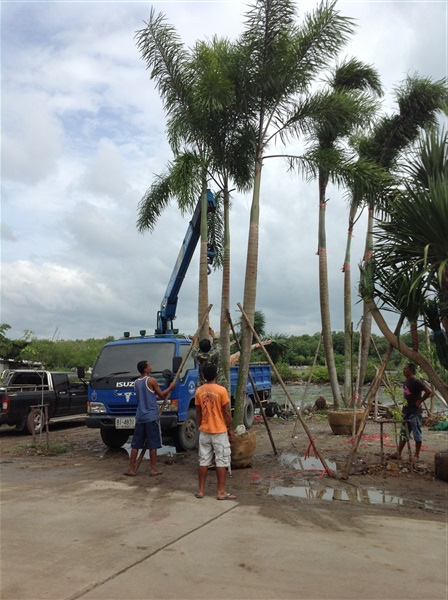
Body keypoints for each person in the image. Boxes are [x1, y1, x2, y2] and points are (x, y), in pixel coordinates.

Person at [124, 360, 175, 477]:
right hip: (151, 417)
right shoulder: (151, 380)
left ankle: (131, 469)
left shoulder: (136, 382)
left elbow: (149, 396)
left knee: (136, 444)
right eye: (149, 365)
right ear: (145, 369)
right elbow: (161, 395)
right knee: (153, 444)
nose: (151, 366)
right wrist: (171, 388)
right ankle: (152, 469)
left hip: (140, 416)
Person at [194, 363, 236, 500]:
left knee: (204, 460)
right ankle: (221, 491)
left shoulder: (199, 391)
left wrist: (202, 425)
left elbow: (198, 412)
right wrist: (230, 429)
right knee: (221, 460)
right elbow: (227, 412)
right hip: (219, 431)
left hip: (204, 431)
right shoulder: (221, 390)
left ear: (203, 376)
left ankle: (200, 491)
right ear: (216, 375)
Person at [392, 363, 432, 462]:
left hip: (415, 412)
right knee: (403, 433)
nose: (403, 370)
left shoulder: (416, 381)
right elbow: (406, 397)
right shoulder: (406, 382)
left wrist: (420, 401)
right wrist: (403, 410)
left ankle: (416, 455)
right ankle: (398, 452)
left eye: (405, 368)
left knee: (416, 434)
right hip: (407, 411)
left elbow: (429, 391)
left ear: (410, 370)